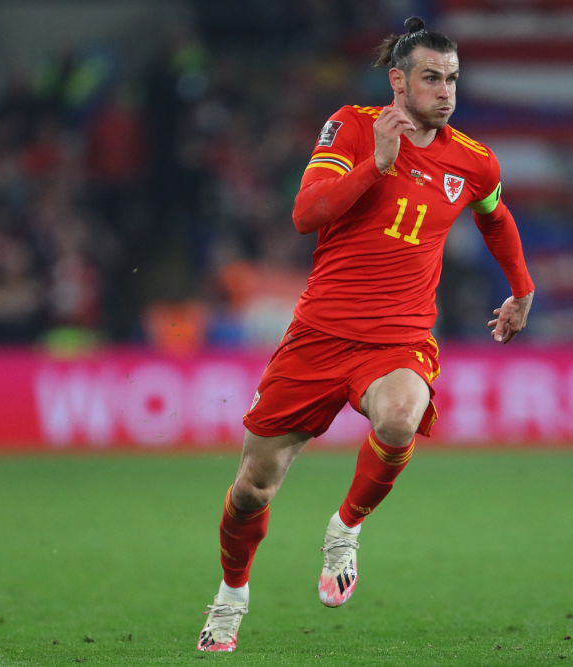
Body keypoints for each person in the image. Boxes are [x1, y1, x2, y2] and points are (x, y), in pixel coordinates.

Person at [196, 17, 536, 652]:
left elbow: (496, 217)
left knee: (402, 417)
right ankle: (232, 594)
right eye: (432, 78)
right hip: (320, 335)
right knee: (252, 489)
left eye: (453, 78)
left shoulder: (473, 160)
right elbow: (305, 214)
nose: (445, 91)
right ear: (398, 81)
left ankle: (345, 529)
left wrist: (521, 289)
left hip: (397, 340)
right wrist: (376, 166)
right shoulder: (352, 126)